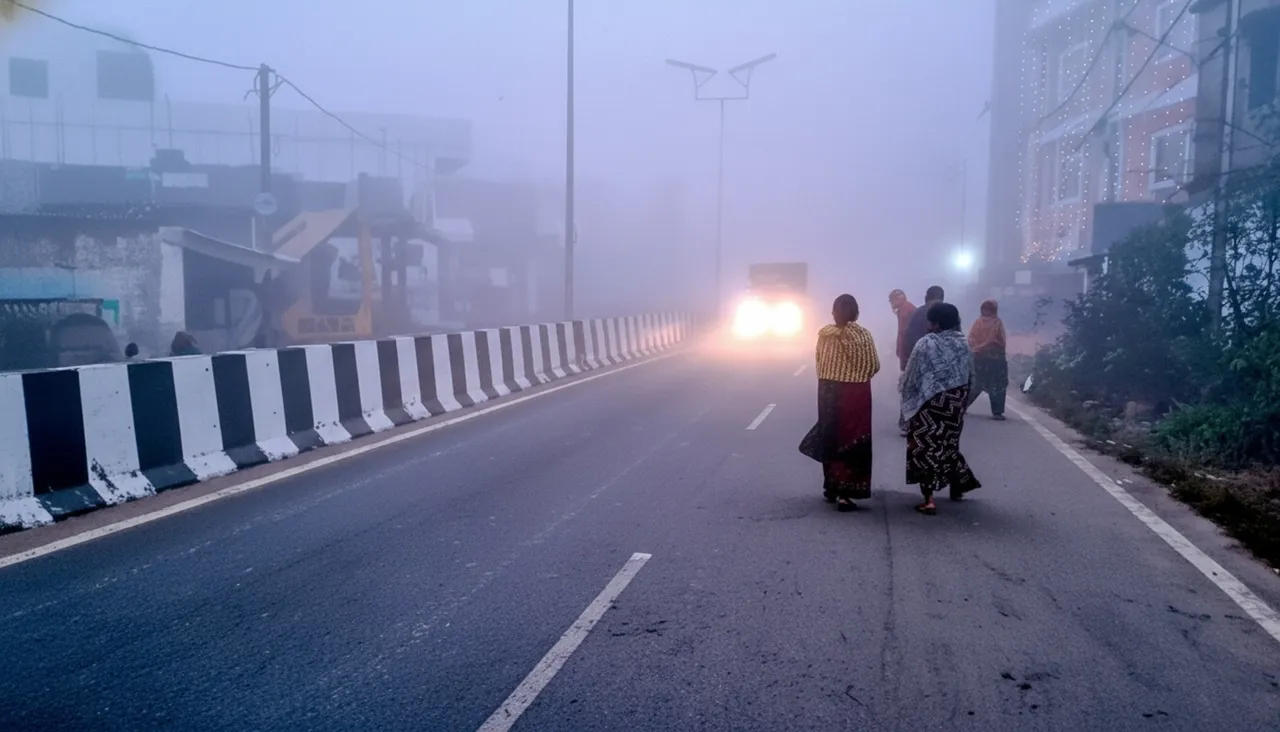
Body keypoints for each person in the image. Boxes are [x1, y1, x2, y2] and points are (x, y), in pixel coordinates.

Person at [799, 294, 881, 512]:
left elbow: (818, 361)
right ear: (856, 313)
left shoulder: (824, 335)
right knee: (853, 438)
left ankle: (831, 487)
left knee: (831, 436)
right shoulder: (863, 335)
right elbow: (874, 366)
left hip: (828, 390)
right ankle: (846, 493)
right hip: (856, 393)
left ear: (833, 313)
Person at [900, 302, 981, 515]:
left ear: (935, 324)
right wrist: (963, 402)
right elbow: (971, 375)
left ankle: (929, 500)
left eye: (930, 321)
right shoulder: (963, 343)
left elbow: (911, 375)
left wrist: (906, 398)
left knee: (924, 448)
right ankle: (958, 485)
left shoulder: (926, 343)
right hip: (955, 402)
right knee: (948, 445)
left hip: (929, 404)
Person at [898, 285, 945, 436]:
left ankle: (908, 423)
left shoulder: (917, 312)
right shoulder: (948, 312)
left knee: (913, 391)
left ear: (927, 297)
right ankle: (931, 426)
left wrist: (905, 359)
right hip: (937, 361)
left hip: (916, 357)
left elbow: (907, 336)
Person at [966, 299, 1009, 420]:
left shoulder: (981, 322)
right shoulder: (995, 323)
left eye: (988, 309)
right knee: (995, 385)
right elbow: (999, 340)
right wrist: (982, 346)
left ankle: (963, 407)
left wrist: (977, 347)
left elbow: (972, 339)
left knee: (977, 384)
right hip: (992, 359)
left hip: (982, 357)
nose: (987, 312)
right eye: (986, 309)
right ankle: (997, 412)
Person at [889, 289, 917, 372]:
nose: (891, 303)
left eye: (892, 300)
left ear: (898, 299)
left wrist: (902, 352)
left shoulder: (906, 310)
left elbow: (904, 333)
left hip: (908, 354)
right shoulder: (906, 309)